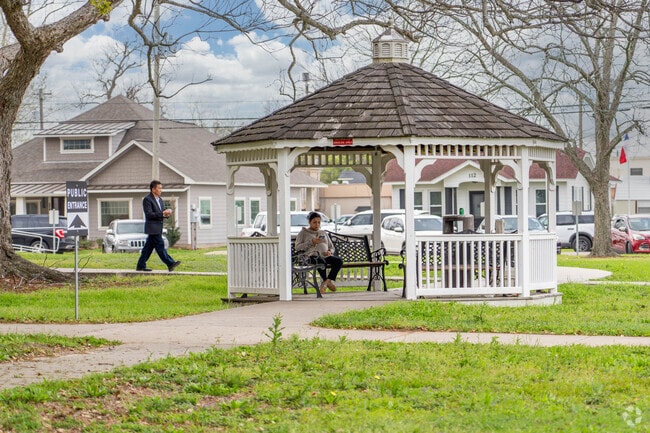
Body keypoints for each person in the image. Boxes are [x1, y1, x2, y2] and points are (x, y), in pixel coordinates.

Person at [136, 180, 181, 272]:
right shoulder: (147, 200)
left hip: (158, 227)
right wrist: (162, 213)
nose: (161, 190)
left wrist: (166, 213)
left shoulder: (160, 200)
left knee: (148, 249)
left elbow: (161, 212)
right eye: (159, 188)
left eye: (161, 188)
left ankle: (140, 265)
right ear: (153, 189)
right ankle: (170, 263)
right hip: (152, 228)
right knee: (160, 245)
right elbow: (149, 214)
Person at [294, 211, 342, 294]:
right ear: (309, 222)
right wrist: (311, 242)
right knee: (320, 261)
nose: (317, 224)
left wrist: (330, 252)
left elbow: (331, 247)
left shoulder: (323, 233)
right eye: (314, 222)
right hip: (309, 257)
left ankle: (326, 282)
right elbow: (297, 247)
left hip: (325, 256)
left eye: (319, 222)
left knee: (338, 261)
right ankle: (326, 282)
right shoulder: (303, 233)